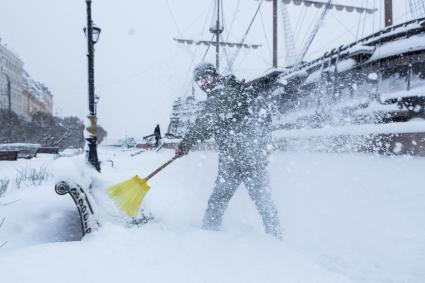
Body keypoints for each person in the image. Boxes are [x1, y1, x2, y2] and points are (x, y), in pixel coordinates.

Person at [175, 62, 282, 239]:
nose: (203, 83)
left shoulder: (223, 92)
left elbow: (206, 123)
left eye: (205, 77)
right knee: (229, 200)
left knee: (257, 201)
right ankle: (211, 234)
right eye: (199, 80)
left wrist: (185, 144)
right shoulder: (227, 90)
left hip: (244, 158)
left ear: (214, 75)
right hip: (240, 157)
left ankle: (275, 239)